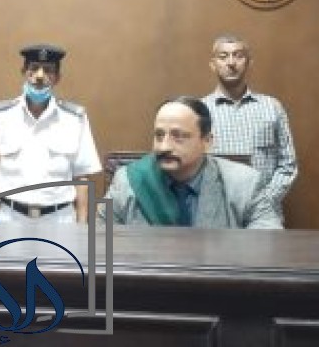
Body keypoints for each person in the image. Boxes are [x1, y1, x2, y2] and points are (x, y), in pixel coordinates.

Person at [102, 96, 282, 229]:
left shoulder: (245, 184)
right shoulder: (128, 181)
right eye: (159, 135)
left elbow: (267, 246)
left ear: (207, 142)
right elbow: (100, 243)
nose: (164, 147)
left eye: (178, 136)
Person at [0, 43, 102, 223]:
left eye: (48, 70)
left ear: (57, 78)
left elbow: (82, 176)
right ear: (24, 72)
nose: (40, 76)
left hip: (59, 218)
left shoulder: (74, 118)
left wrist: (81, 226)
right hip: (9, 216)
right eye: (34, 68)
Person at [202, 34, 298, 218]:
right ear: (213, 64)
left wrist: (263, 202)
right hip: (215, 214)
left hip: (264, 214)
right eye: (223, 56)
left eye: (238, 55)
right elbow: (192, 166)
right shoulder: (199, 111)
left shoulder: (272, 107)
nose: (231, 62)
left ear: (249, 63)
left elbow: (288, 165)